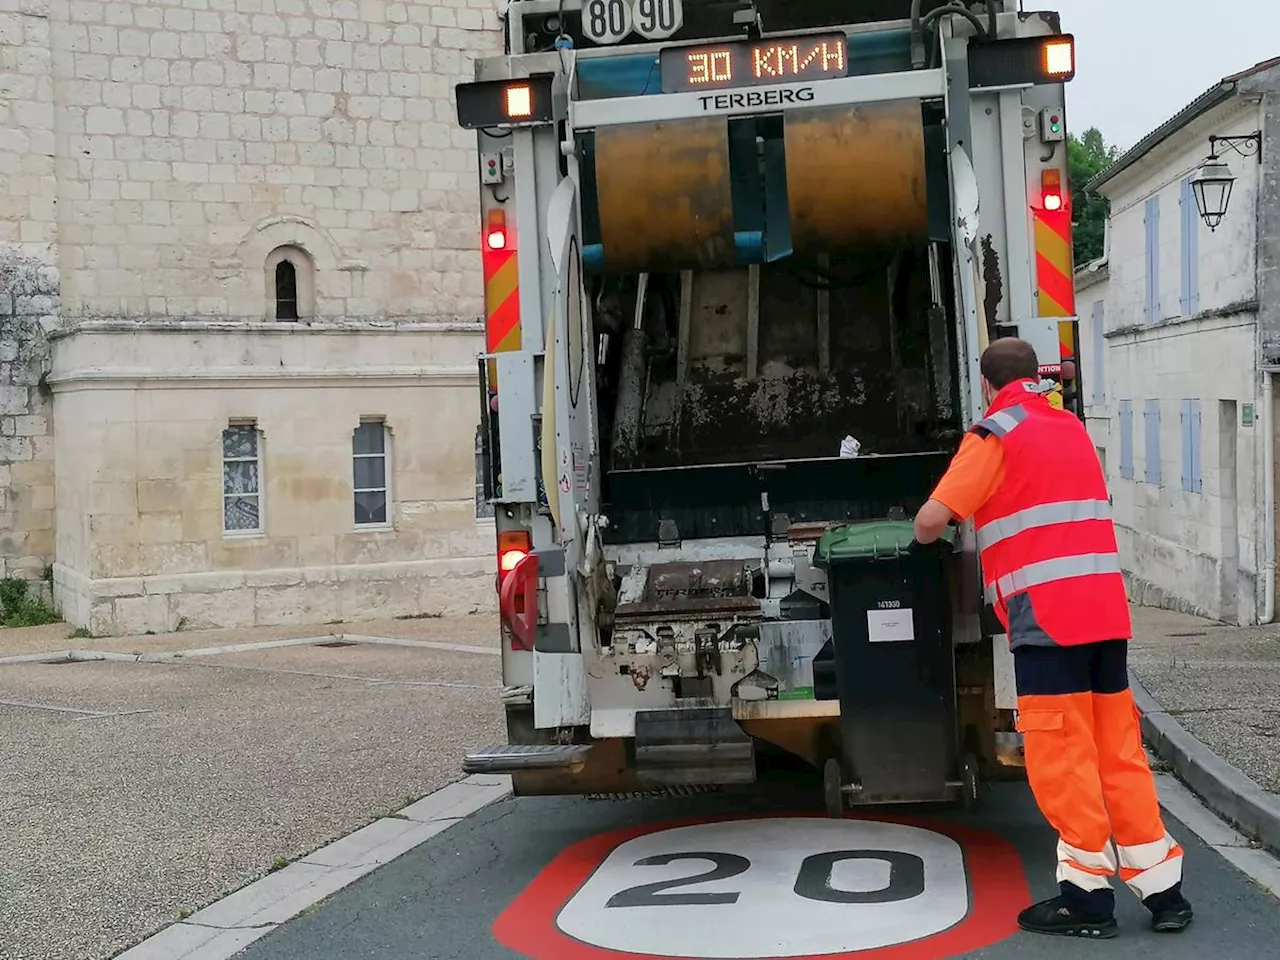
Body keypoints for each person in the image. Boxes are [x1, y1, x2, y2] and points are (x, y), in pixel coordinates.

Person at [912, 338, 1193, 939]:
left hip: (1049, 623)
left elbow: (931, 519)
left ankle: (1087, 901)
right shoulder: (1068, 427)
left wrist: (934, 529)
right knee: (1118, 753)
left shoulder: (993, 433)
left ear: (986, 383)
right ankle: (1165, 893)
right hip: (1105, 615)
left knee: (1063, 758)